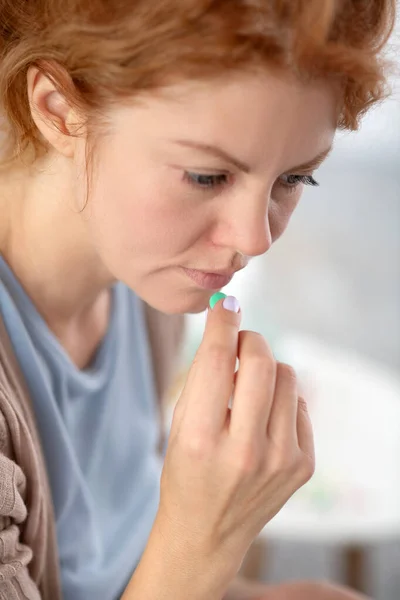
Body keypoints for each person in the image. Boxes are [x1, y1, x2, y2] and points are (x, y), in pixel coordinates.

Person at [0, 1, 395, 599]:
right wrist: (205, 536)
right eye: (207, 176)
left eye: (295, 178)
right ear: (59, 111)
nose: (254, 239)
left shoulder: (146, 288)